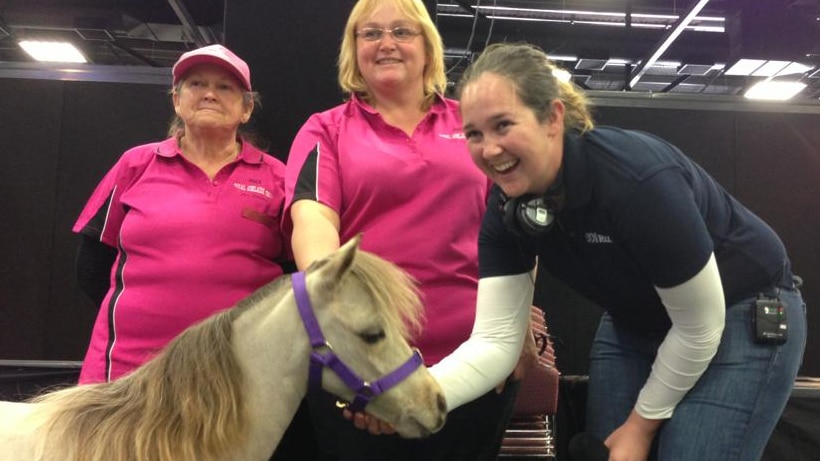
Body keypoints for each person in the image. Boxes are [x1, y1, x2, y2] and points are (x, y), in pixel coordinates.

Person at [410, 42, 806, 461]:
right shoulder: (507, 210)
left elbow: (699, 326)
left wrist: (640, 425)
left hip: (738, 310)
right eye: (474, 133)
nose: (489, 149)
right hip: (638, 321)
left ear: (552, 118)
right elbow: (496, 341)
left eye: (503, 125)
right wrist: (410, 397)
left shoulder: (636, 180)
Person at [282, 1, 520, 460]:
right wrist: (360, 357)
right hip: (362, 371)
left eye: (402, 31)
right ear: (355, 51)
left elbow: (514, 226)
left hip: (473, 363)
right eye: (370, 34)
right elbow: (312, 222)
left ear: (427, 47)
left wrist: (513, 332)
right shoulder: (325, 130)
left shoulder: (471, 124)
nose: (386, 43)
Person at [73, 43, 291, 384]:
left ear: (246, 109)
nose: (209, 94)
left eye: (224, 87)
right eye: (196, 84)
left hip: (235, 375)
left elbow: (293, 275)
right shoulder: (136, 164)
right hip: (128, 373)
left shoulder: (278, 177)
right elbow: (90, 265)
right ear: (177, 100)